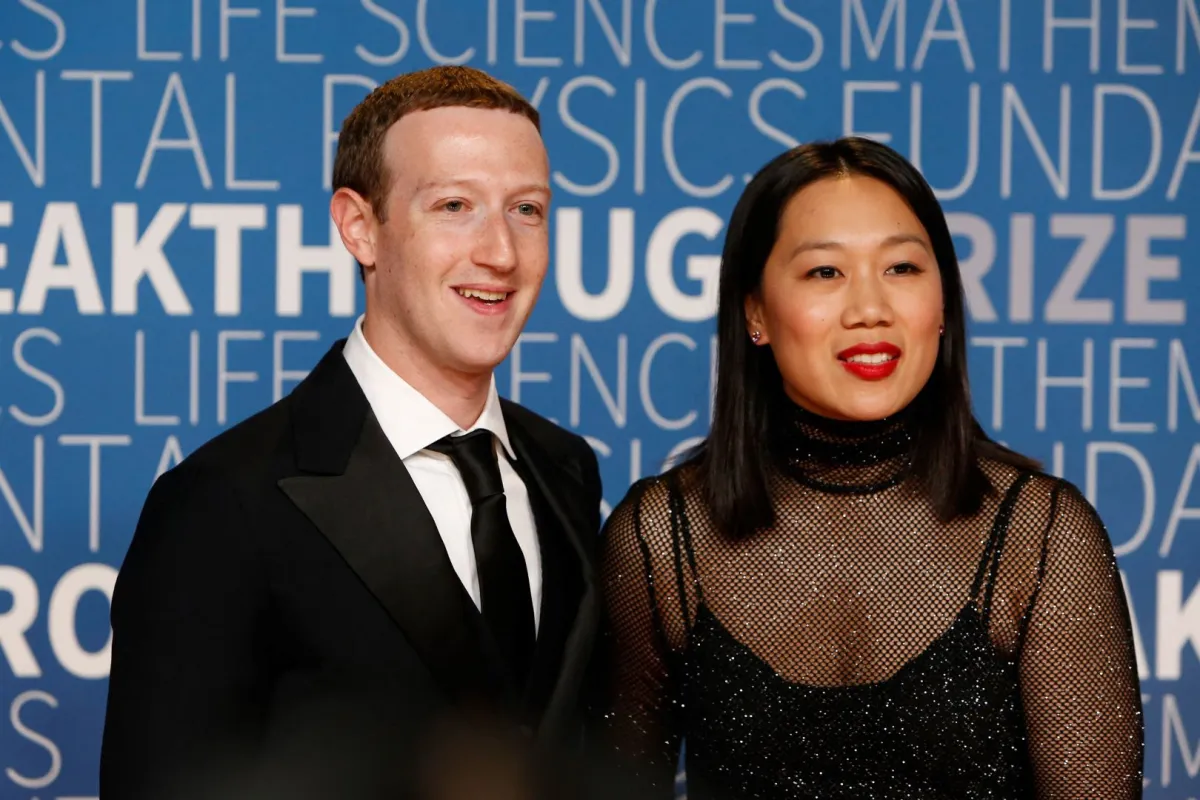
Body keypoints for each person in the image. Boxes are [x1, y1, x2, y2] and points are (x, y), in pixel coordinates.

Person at [100, 66, 602, 800]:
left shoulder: (564, 469)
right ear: (359, 227)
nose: (500, 252)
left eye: (526, 209)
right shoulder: (222, 503)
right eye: (454, 206)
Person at [589, 137, 1144, 799]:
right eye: (825, 272)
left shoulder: (1041, 534)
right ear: (755, 311)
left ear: (944, 302)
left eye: (902, 268)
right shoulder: (661, 537)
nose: (870, 310)